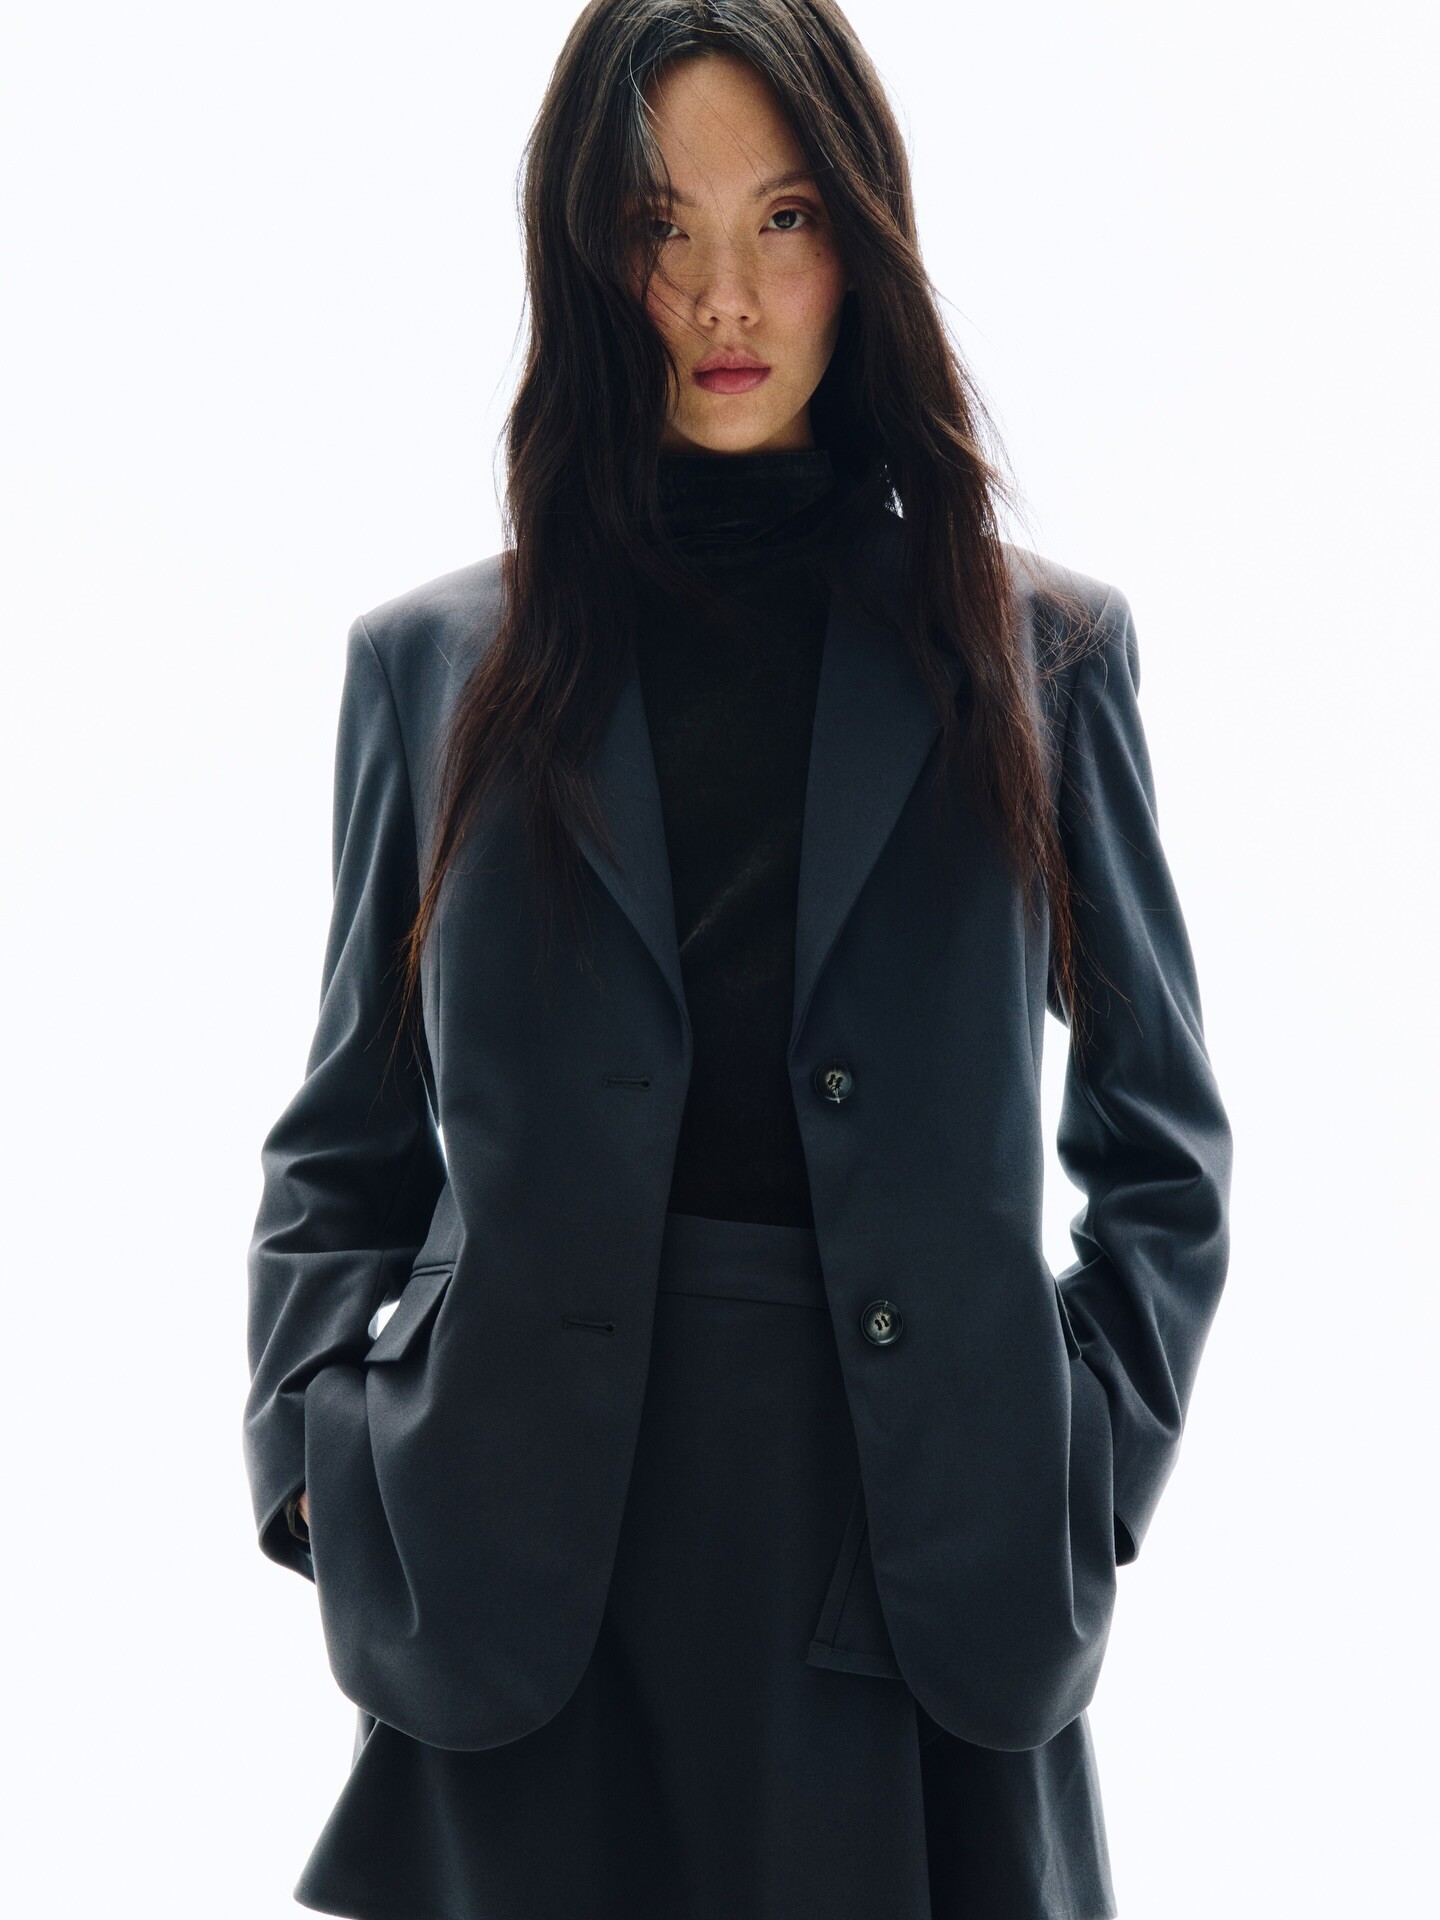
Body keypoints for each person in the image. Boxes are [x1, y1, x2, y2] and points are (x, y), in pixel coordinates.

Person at [243, 4, 1232, 1916]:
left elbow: (1162, 1141)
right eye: (660, 226)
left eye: (784, 219)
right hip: (521, 1569)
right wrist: (312, 1463)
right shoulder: (433, 669)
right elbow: (342, 1143)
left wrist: (1083, 1466)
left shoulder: (1039, 662)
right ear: (584, 253)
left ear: (863, 236)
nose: (724, 296)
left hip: (911, 1560)